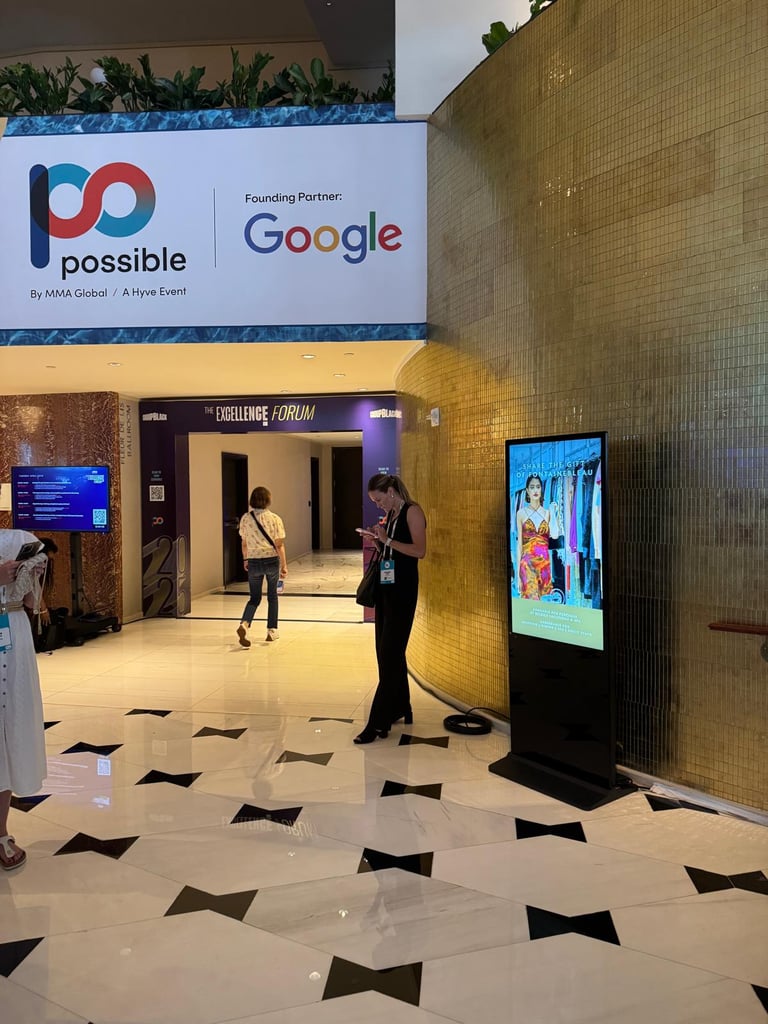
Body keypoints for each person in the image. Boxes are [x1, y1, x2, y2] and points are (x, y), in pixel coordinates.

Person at [355, 473, 427, 744]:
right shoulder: (392, 515)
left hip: (403, 591)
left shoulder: (412, 511)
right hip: (386, 590)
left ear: (391, 491)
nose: (378, 505)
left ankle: (377, 721)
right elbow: (392, 551)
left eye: (379, 499)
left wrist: (387, 540)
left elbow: (419, 551)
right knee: (387, 651)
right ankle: (401, 705)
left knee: (389, 653)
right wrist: (377, 540)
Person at [0, 529, 48, 870]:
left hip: (13, 636)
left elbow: (31, 603)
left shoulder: (18, 540)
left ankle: (0, 831)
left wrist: (32, 575)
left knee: (10, 730)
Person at [236, 486, 287, 646]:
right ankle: (272, 630)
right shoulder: (275, 519)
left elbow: (244, 543)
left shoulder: (246, 518)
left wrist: (245, 559)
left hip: (253, 561)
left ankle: (245, 624)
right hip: (271, 560)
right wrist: (284, 565)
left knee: (254, 598)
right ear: (268, 500)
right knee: (272, 596)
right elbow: (279, 545)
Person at [516, 474, 553, 600]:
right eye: (532, 487)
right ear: (527, 490)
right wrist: (517, 574)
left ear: (541, 489)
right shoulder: (521, 514)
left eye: (538, 487)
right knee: (531, 601)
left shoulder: (547, 513)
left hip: (544, 565)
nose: (535, 490)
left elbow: (549, 542)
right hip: (528, 565)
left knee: (542, 605)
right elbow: (519, 545)